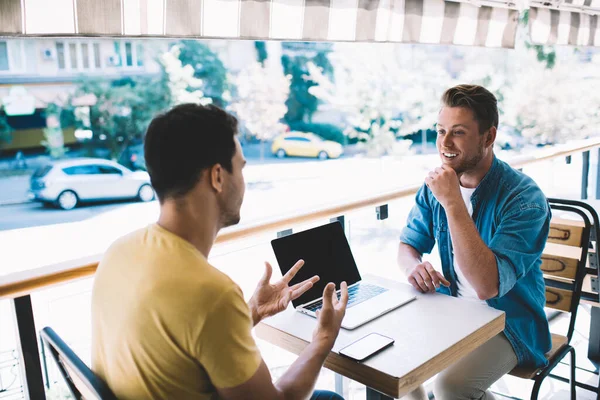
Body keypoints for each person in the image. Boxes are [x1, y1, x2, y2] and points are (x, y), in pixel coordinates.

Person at [91, 103, 349, 400]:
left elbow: (182, 346)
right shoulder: (211, 294)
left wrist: (249, 313)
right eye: (240, 167)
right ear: (217, 177)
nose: (242, 180)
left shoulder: (119, 252)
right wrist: (323, 339)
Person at [398, 84, 552, 400]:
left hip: (509, 322)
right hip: (451, 307)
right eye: (440, 131)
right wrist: (414, 267)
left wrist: (453, 202)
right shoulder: (435, 188)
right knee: (391, 360)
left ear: (488, 137)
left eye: (458, 133)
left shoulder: (524, 199)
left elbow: (486, 286)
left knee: (451, 387)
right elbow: (406, 246)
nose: (444, 143)